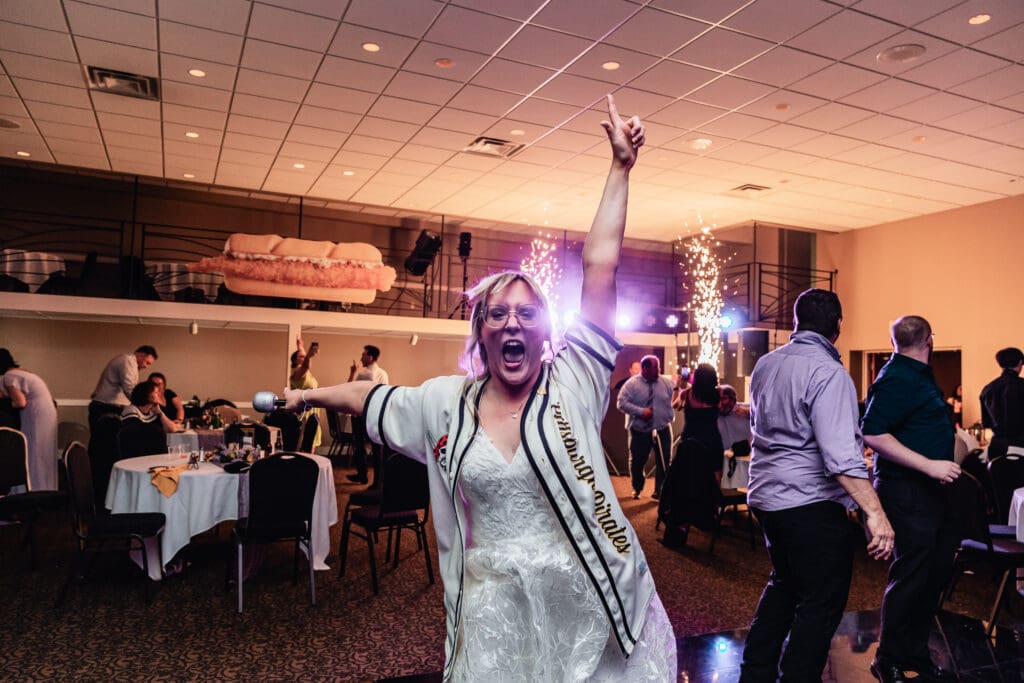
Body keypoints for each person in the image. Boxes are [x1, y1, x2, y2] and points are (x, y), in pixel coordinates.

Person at [284, 95, 677, 681]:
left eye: (526, 313)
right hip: (495, 608)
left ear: (546, 331)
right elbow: (369, 399)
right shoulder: (446, 403)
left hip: (585, 595)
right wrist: (308, 396)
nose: (512, 323)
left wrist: (620, 169)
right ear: (482, 334)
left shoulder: (576, 380)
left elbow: (601, 267)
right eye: (498, 315)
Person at [740, 288, 894, 683]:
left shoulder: (766, 365)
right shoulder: (830, 373)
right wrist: (875, 513)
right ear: (838, 327)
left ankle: (755, 673)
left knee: (785, 585)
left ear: (796, 322)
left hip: (766, 498)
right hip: (807, 503)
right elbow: (840, 457)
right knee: (820, 602)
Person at [862, 315, 961, 683]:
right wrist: (930, 466)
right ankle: (886, 657)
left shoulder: (916, 373)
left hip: (931, 493)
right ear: (930, 339)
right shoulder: (897, 377)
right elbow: (872, 432)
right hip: (907, 490)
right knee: (910, 575)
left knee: (932, 575)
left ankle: (915, 651)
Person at [617, 355, 675, 500]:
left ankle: (659, 490)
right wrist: (641, 412)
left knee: (664, 460)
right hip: (640, 430)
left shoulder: (666, 383)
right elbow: (621, 403)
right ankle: (637, 487)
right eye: (656, 367)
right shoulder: (631, 384)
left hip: (662, 428)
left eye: (659, 367)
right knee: (637, 461)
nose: (659, 370)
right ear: (645, 368)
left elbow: (672, 399)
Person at [0, 348, 58, 490]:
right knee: (43, 452)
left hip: (36, 413)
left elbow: (20, 402)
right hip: (46, 410)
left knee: (33, 451)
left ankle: (33, 488)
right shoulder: (21, 372)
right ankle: (44, 487)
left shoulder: (8, 376)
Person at [347, 344, 389, 485]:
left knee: (369, 448)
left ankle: (373, 480)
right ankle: (368, 478)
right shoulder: (380, 374)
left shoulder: (370, 374)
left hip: (366, 415)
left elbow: (350, 390)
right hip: (368, 415)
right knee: (368, 448)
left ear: (370, 357)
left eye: (363, 354)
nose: (361, 357)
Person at [89, 345, 157, 430]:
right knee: (106, 441)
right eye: (147, 362)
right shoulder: (128, 361)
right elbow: (130, 388)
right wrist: (144, 405)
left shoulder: (127, 361)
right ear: (141, 355)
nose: (146, 367)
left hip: (105, 407)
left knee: (100, 441)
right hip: (107, 408)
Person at [980, 347, 1024, 461]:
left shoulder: (988, 389)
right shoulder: (1022, 385)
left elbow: (986, 423)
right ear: (1020, 362)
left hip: (996, 447)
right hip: (1020, 446)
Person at [290, 337, 321, 450]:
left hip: (313, 412)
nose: (303, 358)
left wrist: (300, 345)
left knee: (311, 445)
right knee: (306, 448)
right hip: (304, 414)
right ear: (295, 361)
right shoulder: (298, 373)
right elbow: (305, 365)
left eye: (304, 356)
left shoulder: (307, 374)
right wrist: (308, 355)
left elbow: (305, 363)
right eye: (301, 357)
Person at [717, 384, 751, 453]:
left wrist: (747, 411)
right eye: (717, 399)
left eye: (724, 399)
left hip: (746, 458)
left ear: (732, 398)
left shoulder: (746, 409)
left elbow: (767, 417)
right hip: (724, 459)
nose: (720, 404)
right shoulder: (712, 414)